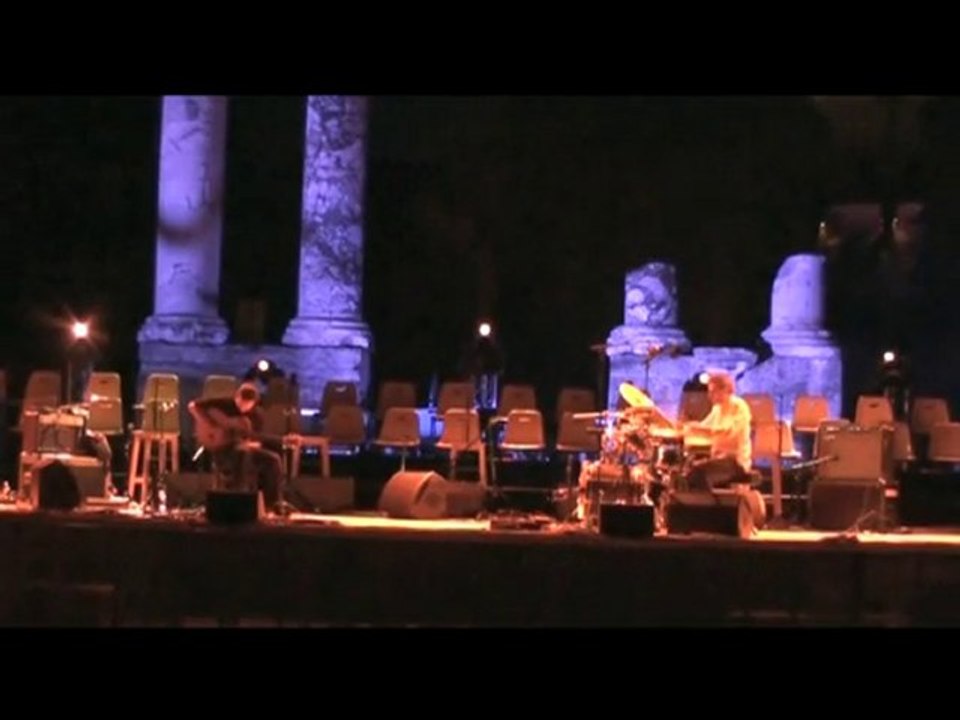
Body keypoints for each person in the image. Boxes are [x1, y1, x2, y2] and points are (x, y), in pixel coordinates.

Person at [188, 382, 285, 511]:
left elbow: (254, 438)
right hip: (221, 448)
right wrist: (211, 424)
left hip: (241, 448)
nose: (243, 407)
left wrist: (282, 441)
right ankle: (239, 501)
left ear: (253, 403)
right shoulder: (224, 404)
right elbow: (193, 406)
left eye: (247, 405)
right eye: (241, 402)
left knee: (274, 459)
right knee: (243, 454)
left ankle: (273, 504)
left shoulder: (255, 416)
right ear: (236, 397)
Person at [682, 371, 752, 492]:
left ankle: (708, 507)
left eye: (713, 391)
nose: (709, 395)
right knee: (686, 471)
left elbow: (727, 432)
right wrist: (683, 428)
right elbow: (704, 427)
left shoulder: (739, 407)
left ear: (725, 389)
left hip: (735, 462)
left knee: (698, 473)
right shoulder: (717, 408)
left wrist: (697, 429)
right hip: (719, 459)